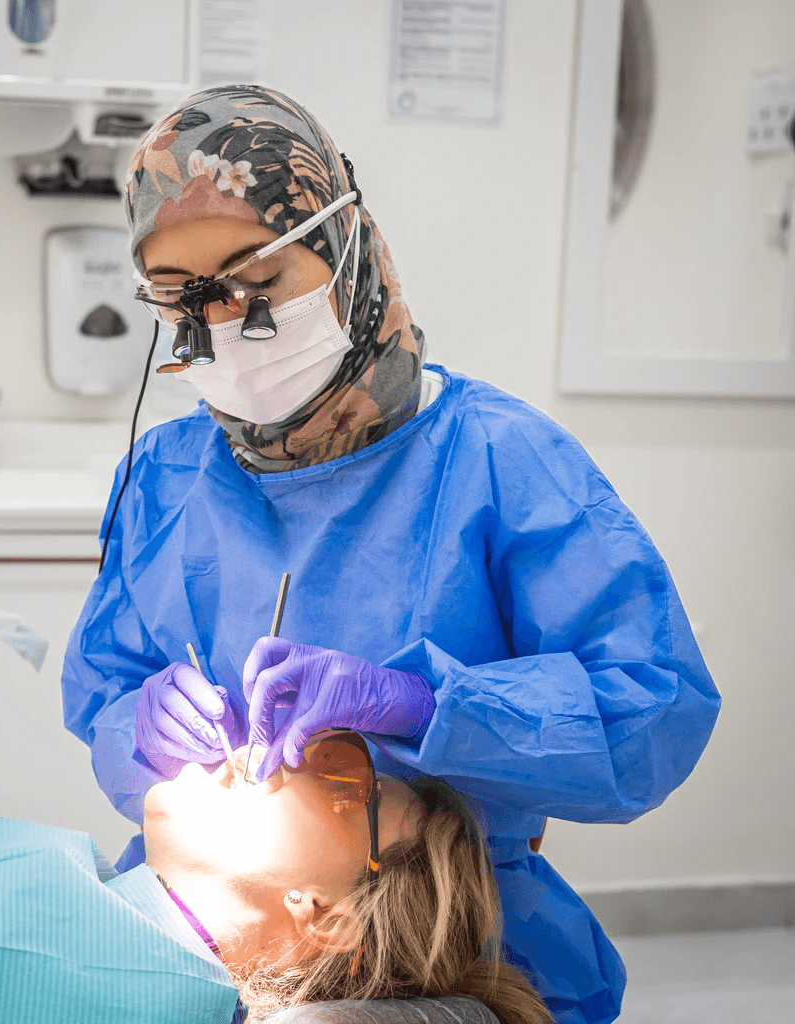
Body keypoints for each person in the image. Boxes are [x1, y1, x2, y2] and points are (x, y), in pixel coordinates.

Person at [61, 84, 721, 1024]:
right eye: (184, 297)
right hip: (209, 932)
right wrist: (142, 724)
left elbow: (654, 714)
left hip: (452, 939)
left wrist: (429, 707)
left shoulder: (498, 460)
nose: (224, 321)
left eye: (255, 279)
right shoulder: (166, 476)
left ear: (342, 245)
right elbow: (106, 696)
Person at [0, 743, 550, 1024]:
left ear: (332, 916)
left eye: (346, 786)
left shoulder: (144, 996)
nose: (281, 752)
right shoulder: (108, 895)